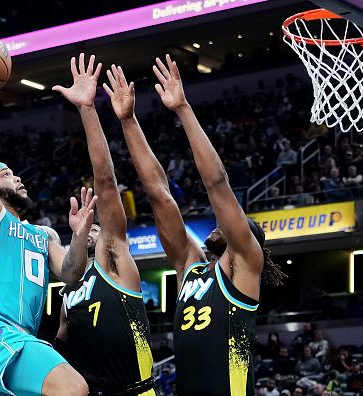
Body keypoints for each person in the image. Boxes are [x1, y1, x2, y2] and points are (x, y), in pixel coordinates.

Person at [107, 55, 285, 395]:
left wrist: (183, 108)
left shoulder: (245, 265)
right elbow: (159, 193)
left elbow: (217, 183)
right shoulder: (191, 267)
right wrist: (128, 121)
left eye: (237, 225)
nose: (224, 224)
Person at [0, 39, 98, 396]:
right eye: (6, 173)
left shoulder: (44, 235)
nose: (18, 177)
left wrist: (79, 236)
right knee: (73, 389)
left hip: (19, 340)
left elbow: (71, 275)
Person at [52, 53, 155, 395]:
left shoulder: (113, 264)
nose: (93, 227)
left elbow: (106, 184)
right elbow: (59, 352)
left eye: (96, 226)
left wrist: (87, 109)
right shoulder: (68, 294)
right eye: (86, 228)